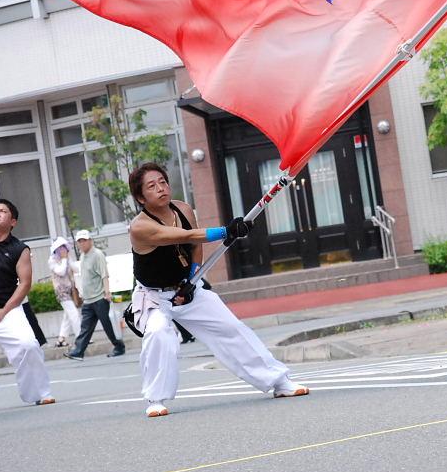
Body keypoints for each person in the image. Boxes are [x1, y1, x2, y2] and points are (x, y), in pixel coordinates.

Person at [128, 162, 309, 418]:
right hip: (154, 297)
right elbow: (187, 236)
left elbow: (195, 249)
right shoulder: (140, 226)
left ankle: (279, 382)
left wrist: (192, 278)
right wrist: (227, 231)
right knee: (159, 334)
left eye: (163, 182)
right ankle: (155, 398)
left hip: (188, 288)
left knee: (231, 328)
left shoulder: (182, 208)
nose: (161, 188)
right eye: (152, 186)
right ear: (140, 197)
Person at [0, 198, 55, 405]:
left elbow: (24, 284)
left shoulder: (19, 249)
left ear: (13, 221)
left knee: (29, 344)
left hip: (8, 310)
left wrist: (3, 311)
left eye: (2, 211)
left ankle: (39, 393)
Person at [64, 230, 125, 360]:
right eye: (79, 241)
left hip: (99, 297)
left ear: (90, 241)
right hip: (88, 299)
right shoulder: (82, 256)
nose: (82, 243)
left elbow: (104, 275)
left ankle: (119, 346)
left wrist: (107, 292)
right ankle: (78, 351)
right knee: (85, 327)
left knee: (107, 325)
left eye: (84, 240)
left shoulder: (97, 255)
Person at [48, 236, 81, 347]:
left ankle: (61, 339)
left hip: (70, 290)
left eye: (64, 247)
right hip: (61, 292)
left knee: (68, 315)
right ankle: (80, 338)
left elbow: (76, 268)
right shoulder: (52, 261)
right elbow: (61, 271)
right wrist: (64, 259)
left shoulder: (67, 258)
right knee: (74, 314)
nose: (63, 250)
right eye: (60, 248)